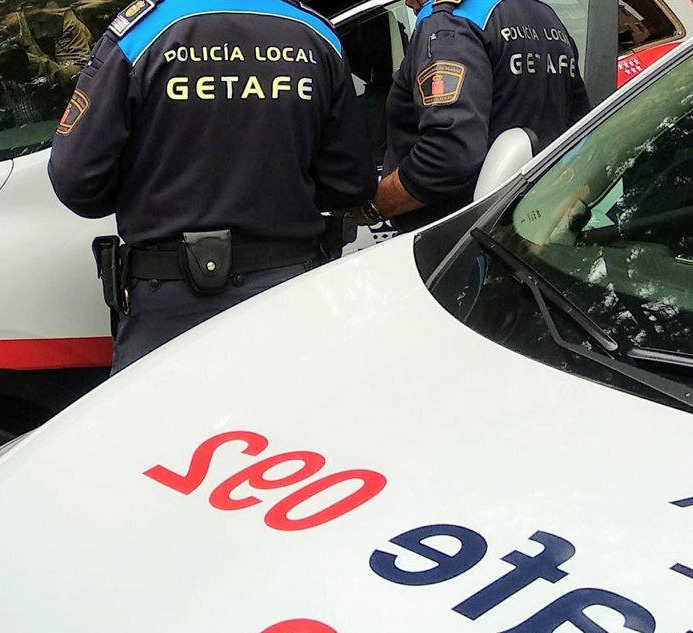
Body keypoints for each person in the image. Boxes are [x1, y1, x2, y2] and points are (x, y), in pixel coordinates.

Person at [48, 0, 375, 372]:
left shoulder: (142, 33)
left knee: (162, 411)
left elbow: (77, 182)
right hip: (288, 291)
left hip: (167, 303)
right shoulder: (314, 34)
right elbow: (350, 184)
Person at [370, 0, 591, 231]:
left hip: (452, 234)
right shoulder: (546, 18)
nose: (408, 2)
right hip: (530, 226)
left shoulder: (450, 22)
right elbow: (580, 134)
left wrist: (376, 205)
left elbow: (448, 156)